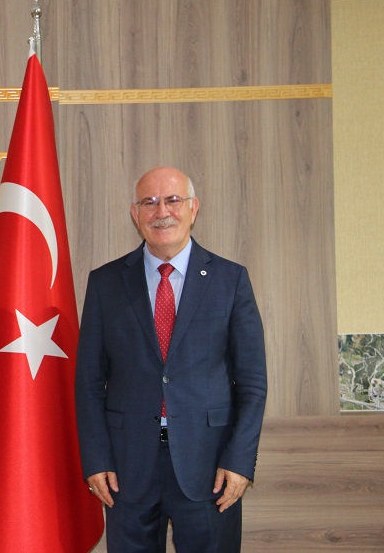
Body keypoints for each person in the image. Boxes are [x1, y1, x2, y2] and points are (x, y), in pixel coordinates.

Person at [75, 166, 267, 552]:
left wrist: (240, 460)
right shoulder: (106, 283)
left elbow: (252, 382)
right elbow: (89, 382)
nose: (162, 211)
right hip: (127, 468)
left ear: (193, 208)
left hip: (210, 466)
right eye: (149, 202)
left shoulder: (230, 280)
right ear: (135, 213)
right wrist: (96, 459)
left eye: (173, 200)